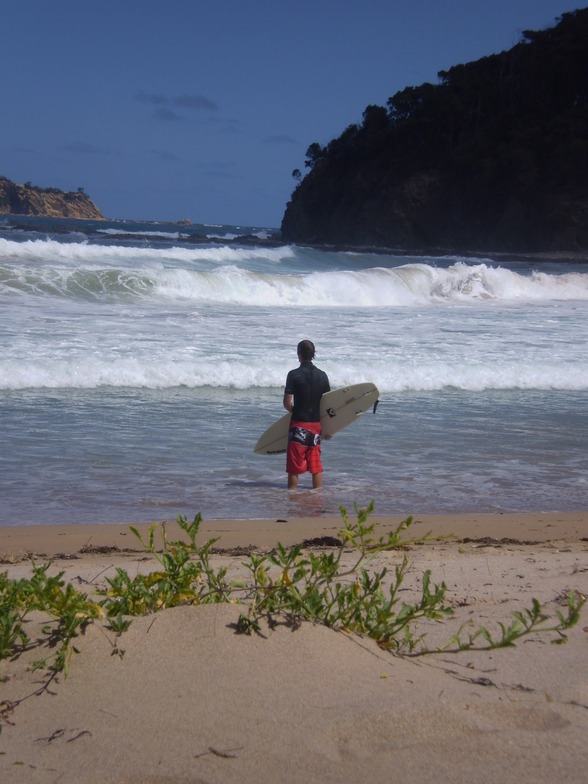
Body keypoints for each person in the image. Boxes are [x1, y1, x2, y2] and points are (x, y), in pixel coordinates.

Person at [283, 340, 330, 489]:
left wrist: (295, 410)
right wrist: (329, 429)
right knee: (316, 468)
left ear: (299, 354)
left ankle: (292, 500)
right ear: (313, 354)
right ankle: (317, 497)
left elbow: (286, 402)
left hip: (298, 426)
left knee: (294, 469)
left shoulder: (293, 375)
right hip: (316, 427)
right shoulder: (323, 376)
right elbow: (327, 405)